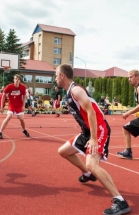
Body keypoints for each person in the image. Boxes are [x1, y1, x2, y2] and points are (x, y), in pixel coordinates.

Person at [56, 64, 130, 215]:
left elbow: (91, 111)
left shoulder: (76, 90)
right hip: (86, 131)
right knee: (63, 151)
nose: (55, 78)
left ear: (62, 76)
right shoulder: (70, 92)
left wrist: (94, 139)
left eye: (56, 75)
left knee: (92, 164)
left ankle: (120, 201)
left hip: (99, 129)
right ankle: (88, 175)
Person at [0, 74, 30, 139]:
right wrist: (1, 106)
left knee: (21, 119)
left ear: (20, 80)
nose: (17, 80)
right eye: (15, 79)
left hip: (19, 105)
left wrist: (23, 106)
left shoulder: (23, 87)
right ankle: (0, 132)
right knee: (9, 116)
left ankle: (24, 130)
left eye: (18, 79)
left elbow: (24, 97)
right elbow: (3, 96)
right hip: (12, 104)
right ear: (13, 80)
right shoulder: (9, 87)